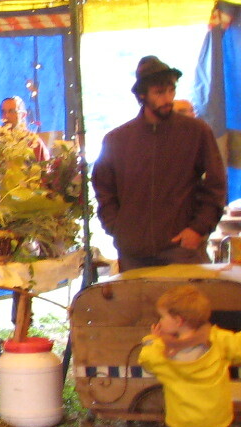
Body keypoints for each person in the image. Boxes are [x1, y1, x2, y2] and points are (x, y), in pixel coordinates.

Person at [92, 55, 225, 272]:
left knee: (187, 297)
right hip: (133, 254)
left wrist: (198, 229)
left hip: (182, 250)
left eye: (171, 91)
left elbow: (216, 184)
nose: (168, 98)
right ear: (142, 95)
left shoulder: (196, 132)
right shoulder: (117, 140)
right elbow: (104, 190)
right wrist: (119, 230)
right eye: (159, 92)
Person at [137, 284, 241, 427]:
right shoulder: (218, 339)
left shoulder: (165, 356)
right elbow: (238, 345)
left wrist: (152, 340)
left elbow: (147, 360)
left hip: (187, 422)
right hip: (217, 416)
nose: (160, 321)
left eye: (163, 317)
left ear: (178, 321)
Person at [0, 94, 49, 161]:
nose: (6, 115)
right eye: (3, 111)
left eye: (12, 111)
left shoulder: (34, 142)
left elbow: (44, 165)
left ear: (23, 115)